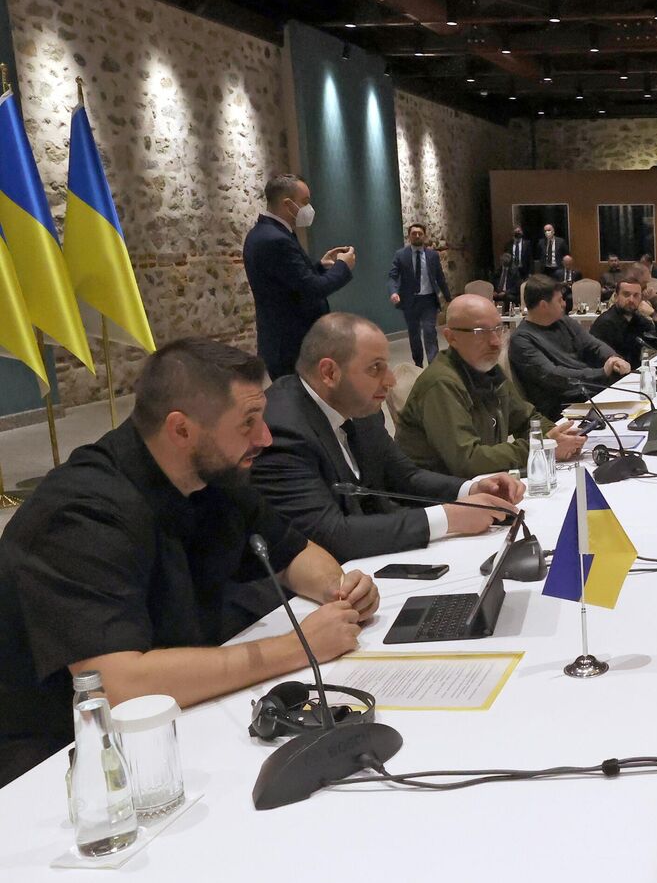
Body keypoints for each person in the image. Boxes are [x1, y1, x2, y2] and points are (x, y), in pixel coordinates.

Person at [0, 337, 380, 787]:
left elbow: (295, 553)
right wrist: (300, 647)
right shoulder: (79, 514)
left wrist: (342, 590)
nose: (265, 437)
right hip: (66, 763)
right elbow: (116, 685)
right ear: (181, 429)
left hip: (184, 713)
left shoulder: (216, 472)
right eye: (248, 423)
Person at [249, 313, 523, 563]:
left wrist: (471, 490)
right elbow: (332, 534)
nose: (390, 380)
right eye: (375, 368)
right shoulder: (281, 430)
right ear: (330, 373)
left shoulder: (361, 407)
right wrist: (450, 517)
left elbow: (405, 477)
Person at [396, 295, 583, 477]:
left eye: (498, 329)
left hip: (482, 482)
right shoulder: (441, 383)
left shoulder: (488, 370)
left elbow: (526, 419)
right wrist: (541, 446)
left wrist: (563, 436)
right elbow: (468, 461)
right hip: (442, 496)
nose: (495, 342)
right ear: (451, 337)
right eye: (481, 332)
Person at [243, 174, 356, 379]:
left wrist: (320, 266)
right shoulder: (275, 239)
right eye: (305, 202)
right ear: (288, 204)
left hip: (285, 340)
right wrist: (343, 266)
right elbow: (312, 289)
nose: (309, 208)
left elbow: (291, 281)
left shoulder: (267, 233)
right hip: (290, 344)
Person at [508, 276, 630, 420]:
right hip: (561, 406)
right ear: (543, 305)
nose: (564, 304)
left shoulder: (563, 321)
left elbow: (593, 344)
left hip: (586, 392)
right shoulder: (521, 340)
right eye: (559, 300)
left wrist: (613, 358)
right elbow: (553, 376)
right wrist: (601, 373)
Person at [388, 222, 452, 367]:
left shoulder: (432, 255)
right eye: (414, 233)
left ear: (424, 236)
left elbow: (440, 278)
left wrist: (449, 299)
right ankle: (418, 364)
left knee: (430, 331)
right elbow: (393, 276)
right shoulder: (401, 255)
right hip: (410, 301)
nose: (417, 236)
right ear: (409, 236)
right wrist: (393, 292)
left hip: (428, 300)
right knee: (414, 334)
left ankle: (434, 365)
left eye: (420, 233)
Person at [590, 277, 656, 370]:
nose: (631, 300)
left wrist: (655, 315)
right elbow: (595, 359)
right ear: (616, 297)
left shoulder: (639, 320)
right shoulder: (605, 323)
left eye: (636, 295)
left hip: (636, 373)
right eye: (626, 295)